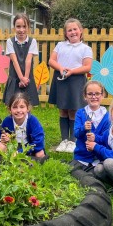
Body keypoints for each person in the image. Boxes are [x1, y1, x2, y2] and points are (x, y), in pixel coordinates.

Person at [48, 18, 93, 153]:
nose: (73, 32)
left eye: (75, 29)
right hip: (61, 80)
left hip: (76, 81)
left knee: (73, 110)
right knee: (63, 109)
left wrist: (72, 71)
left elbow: (87, 67)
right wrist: (61, 69)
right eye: (69, 30)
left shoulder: (85, 48)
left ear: (81, 31)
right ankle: (64, 140)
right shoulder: (60, 45)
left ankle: (73, 141)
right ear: (66, 33)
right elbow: (51, 60)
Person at [71, 80, 110, 172]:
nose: (94, 97)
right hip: (82, 157)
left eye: (97, 94)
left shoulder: (108, 116)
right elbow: (76, 133)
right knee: (74, 172)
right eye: (90, 94)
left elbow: (107, 139)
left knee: (99, 173)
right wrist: (83, 128)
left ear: (102, 95)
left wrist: (95, 138)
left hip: (100, 158)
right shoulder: (80, 113)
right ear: (85, 96)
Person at [2, 13, 39, 106]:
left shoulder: (32, 41)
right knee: (12, 105)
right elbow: (14, 61)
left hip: (27, 79)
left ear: (28, 28)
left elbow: (28, 60)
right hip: (14, 79)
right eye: (18, 26)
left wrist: (25, 80)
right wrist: (21, 78)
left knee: (27, 106)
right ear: (14, 27)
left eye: (24, 26)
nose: (21, 30)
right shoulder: (10, 41)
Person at [0, 92, 45, 158]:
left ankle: (34, 164)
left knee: (40, 154)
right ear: (9, 109)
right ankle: (7, 162)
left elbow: (38, 143)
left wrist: (20, 152)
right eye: (15, 107)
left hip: (29, 147)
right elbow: (0, 136)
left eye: (22, 107)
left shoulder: (32, 121)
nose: (18, 110)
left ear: (28, 108)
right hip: (13, 147)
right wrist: (4, 139)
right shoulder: (7, 121)